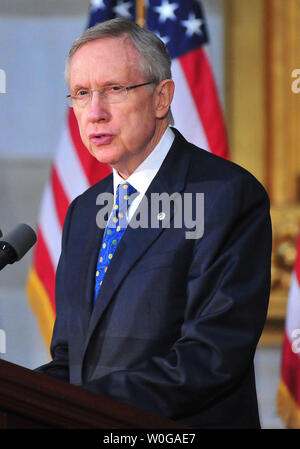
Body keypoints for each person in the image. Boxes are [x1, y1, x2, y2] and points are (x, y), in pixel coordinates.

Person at [36, 18, 272, 429]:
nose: (94, 112)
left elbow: (210, 357)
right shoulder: (83, 212)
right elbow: (71, 361)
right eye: (81, 93)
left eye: (114, 89)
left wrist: (79, 404)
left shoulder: (225, 196)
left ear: (161, 98)